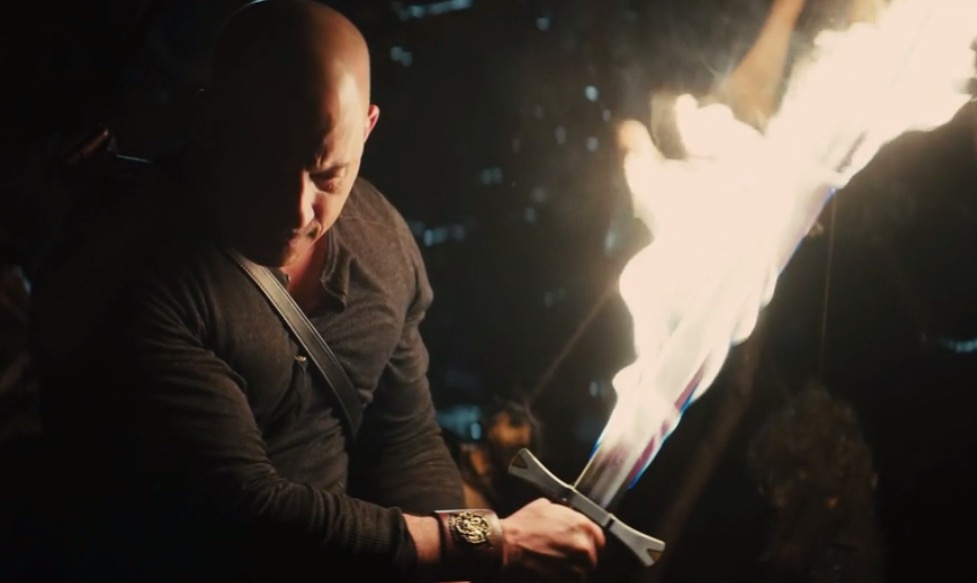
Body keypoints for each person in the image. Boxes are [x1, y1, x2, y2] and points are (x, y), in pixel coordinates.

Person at [26, 1, 605, 582]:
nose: (299, 211)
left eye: (329, 175)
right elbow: (248, 515)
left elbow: (403, 441)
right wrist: (481, 542)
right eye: (267, 168)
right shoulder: (137, 277)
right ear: (213, 121)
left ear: (368, 127)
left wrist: (451, 572)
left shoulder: (380, 241)